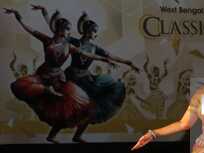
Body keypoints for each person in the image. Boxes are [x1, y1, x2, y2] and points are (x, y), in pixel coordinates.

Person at [4, 7, 118, 143]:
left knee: (77, 106)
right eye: (68, 29)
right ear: (60, 30)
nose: (70, 32)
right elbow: (29, 29)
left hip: (59, 78)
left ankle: (63, 136)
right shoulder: (47, 40)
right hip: (44, 75)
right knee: (45, 97)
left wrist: (103, 59)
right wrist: (18, 16)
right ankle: (48, 96)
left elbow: (85, 53)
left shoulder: (68, 45)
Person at [32, 5, 140, 143]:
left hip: (87, 81)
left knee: (89, 110)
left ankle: (77, 136)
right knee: (69, 110)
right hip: (73, 80)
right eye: (95, 32)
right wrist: (45, 13)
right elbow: (55, 31)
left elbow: (111, 56)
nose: (96, 35)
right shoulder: (73, 41)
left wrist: (128, 62)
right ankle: (52, 136)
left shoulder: (95, 48)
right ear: (89, 32)